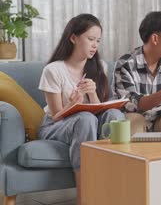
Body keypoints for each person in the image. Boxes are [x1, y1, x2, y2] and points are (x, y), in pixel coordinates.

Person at [37, 14, 126, 205]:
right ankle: (84, 198)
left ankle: (116, 192)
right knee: (85, 118)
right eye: (90, 39)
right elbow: (56, 116)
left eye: (98, 41)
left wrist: (92, 94)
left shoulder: (100, 66)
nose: (95, 45)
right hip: (55, 125)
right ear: (73, 38)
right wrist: (72, 103)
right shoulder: (53, 70)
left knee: (115, 115)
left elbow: (100, 108)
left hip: (88, 119)